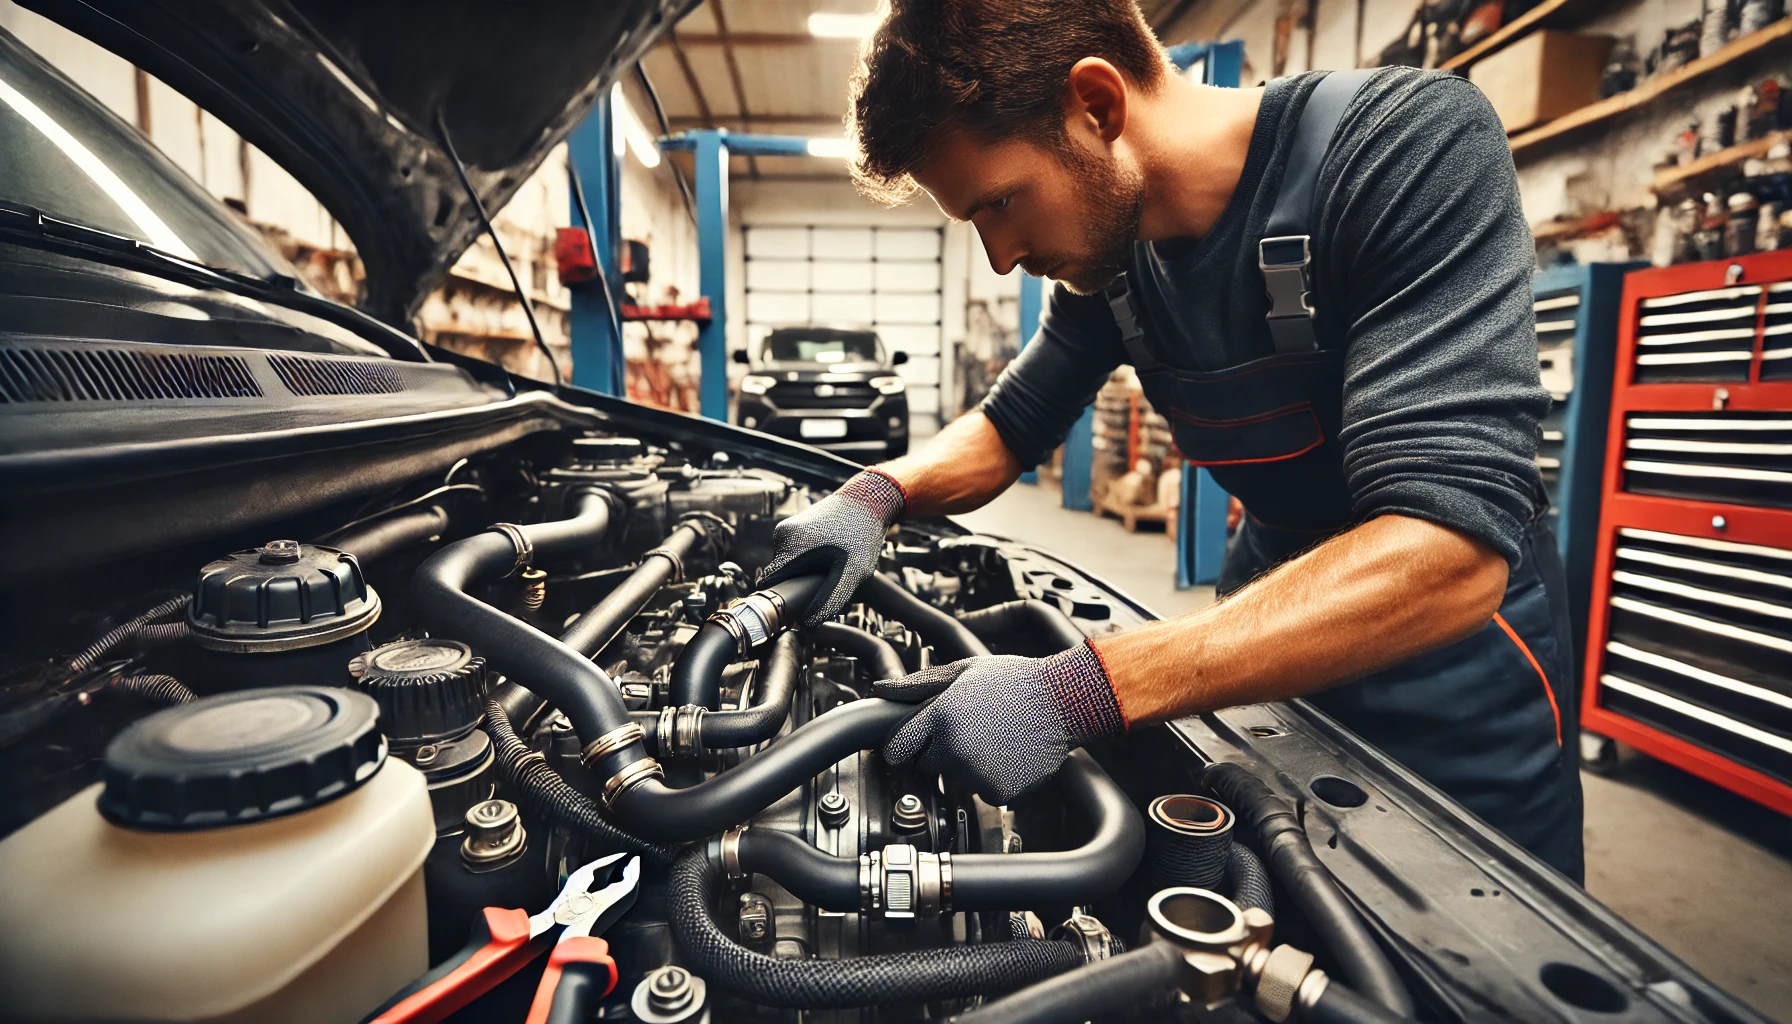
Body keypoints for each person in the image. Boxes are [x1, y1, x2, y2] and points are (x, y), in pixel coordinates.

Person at [762, 0, 1583, 880]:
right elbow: (1006, 428)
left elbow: (1449, 550)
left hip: (1455, 675)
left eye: (999, 203)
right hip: (1259, 635)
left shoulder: (1399, 146)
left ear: (1097, 106)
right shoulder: (1119, 265)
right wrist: (875, 494)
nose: (999, 256)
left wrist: (1083, 688)